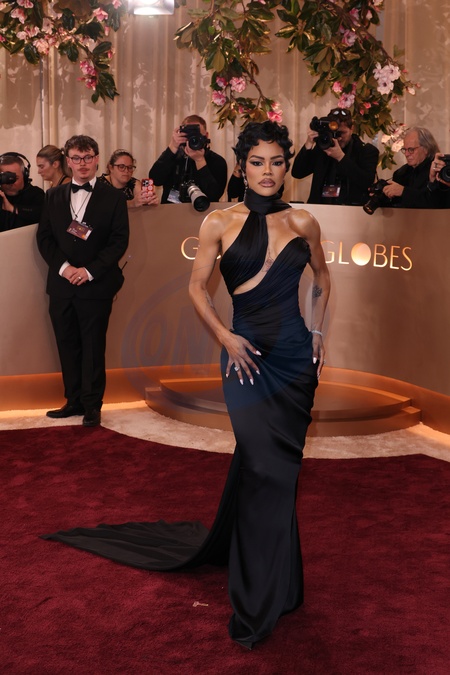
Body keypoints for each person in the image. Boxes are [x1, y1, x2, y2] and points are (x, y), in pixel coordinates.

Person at [40, 122, 330, 649]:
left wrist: (317, 332)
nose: (267, 171)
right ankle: (259, 595)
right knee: (262, 465)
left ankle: (281, 581)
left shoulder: (304, 220)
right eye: (257, 162)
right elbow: (198, 289)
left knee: (281, 473)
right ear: (241, 166)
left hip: (294, 362)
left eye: (277, 162)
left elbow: (322, 280)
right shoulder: (220, 220)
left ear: (287, 166)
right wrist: (225, 336)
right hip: (244, 358)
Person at [36, 135, 129, 428]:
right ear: (68, 161)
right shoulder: (52, 196)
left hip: (95, 284)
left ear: (97, 159)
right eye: (76, 158)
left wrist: (88, 271)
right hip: (61, 285)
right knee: (67, 344)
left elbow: (118, 242)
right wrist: (65, 269)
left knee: (92, 347)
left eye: (88, 157)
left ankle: (92, 405)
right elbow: (44, 238)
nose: (82, 164)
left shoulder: (114, 197)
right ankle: (73, 400)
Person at [291, 107, 379, 205]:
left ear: (352, 129)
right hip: (320, 208)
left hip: (351, 210)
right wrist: (309, 143)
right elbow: (297, 173)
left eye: (342, 133)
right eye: (335, 133)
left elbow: (367, 182)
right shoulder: (323, 148)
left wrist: (340, 157)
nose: (338, 138)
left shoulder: (366, 150)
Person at [149, 114, 227, 204]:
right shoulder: (174, 156)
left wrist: (200, 161)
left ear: (206, 136)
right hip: (171, 210)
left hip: (203, 211)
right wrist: (172, 146)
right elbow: (155, 179)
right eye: (188, 136)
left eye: (197, 135)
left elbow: (214, 195)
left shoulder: (217, 161)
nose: (192, 139)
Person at [381, 127, 440, 207]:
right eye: (405, 150)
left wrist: (403, 192)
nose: (406, 154)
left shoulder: (438, 170)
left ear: (426, 149)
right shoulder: (400, 174)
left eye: (411, 149)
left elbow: (435, 202)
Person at [0, 152, 45, 231]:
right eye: (5, 177)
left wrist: (13, 208)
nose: (10, 182)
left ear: (25, 176)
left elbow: (42, 214)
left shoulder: (36, 194)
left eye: (15, 178)